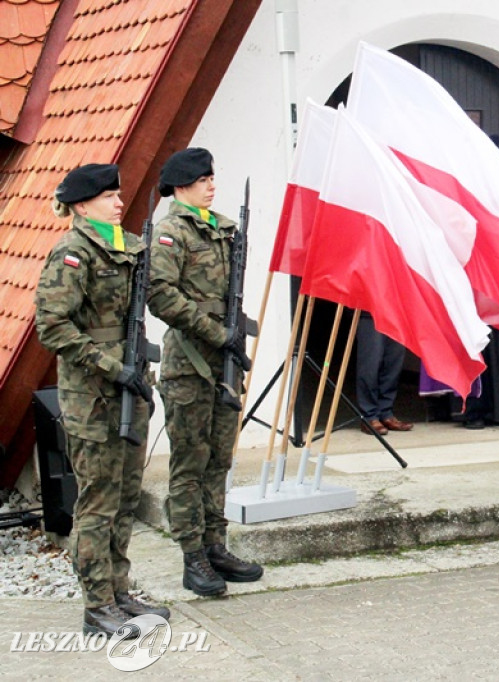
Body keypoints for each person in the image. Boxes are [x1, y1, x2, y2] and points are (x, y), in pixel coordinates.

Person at [35, 163, 170, 636]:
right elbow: (51, 327)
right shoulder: (72, 253)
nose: (118, 202)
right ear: (81, 205)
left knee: (126, 495)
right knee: (97, 502)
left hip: (130, 389)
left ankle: (119, 589)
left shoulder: (125, 245)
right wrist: (114, 367)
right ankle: (97, 606)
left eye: (119, 194)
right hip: (93, 396)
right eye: (109, 196)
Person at [147, 148, 263, 597]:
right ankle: (192, 557)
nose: (211, 184)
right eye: (201, 179)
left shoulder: (222, 229)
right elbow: (161, 296)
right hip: (189, 365)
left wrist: (231, 334)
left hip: (223, 362)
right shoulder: (171, 233)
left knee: (220, 461)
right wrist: (216, 333)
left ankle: (216, 545)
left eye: (212, 177)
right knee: (190, 465)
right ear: (180, 187)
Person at [356, 313, 414, 435]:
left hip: (395, 311)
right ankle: (369, 416)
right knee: (370, 364)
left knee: (393, 364)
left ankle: (386, 413)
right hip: (370, 311)